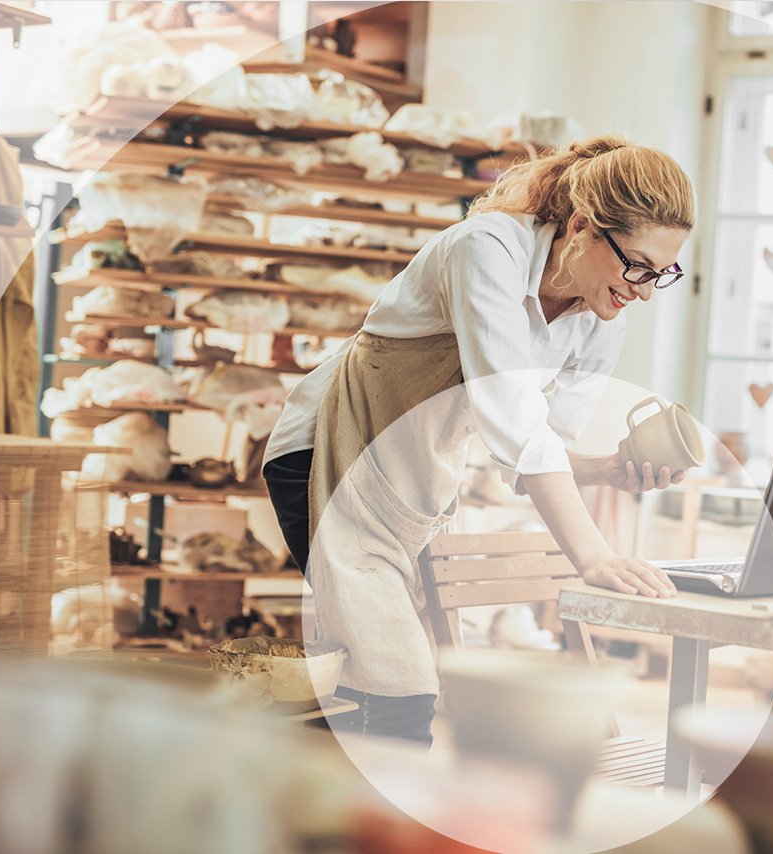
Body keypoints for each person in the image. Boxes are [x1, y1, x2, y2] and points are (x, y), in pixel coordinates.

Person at [263, 134, 695, 743]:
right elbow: (514, 420)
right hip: (324, 457)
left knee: (374, 681)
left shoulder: (601, 315)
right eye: (638, 265)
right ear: (581, 226)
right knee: (397, 689)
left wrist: (609, 468)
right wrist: (593, 556)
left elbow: (534, 449)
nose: (644, 290)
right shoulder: (486, 248)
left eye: (663, 274)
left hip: (407, 488)